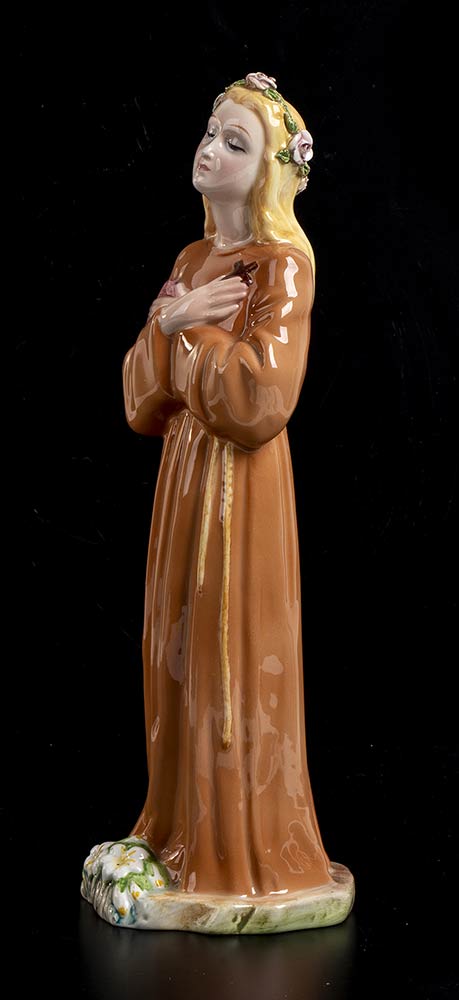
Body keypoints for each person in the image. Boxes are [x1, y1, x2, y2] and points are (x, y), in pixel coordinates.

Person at [82, 73, 354, 933]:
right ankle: (175, 832)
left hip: (243, 493)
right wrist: (169, 332)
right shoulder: (190, 261)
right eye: (209, 131)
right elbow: (139, 399)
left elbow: (258, 401)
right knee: (177, 648)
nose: (210, 148)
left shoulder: (284, 266)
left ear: (268, 170)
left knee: (232, 655)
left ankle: (241, 854)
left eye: (235, 142)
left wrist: (185, 330)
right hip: (187, 478)